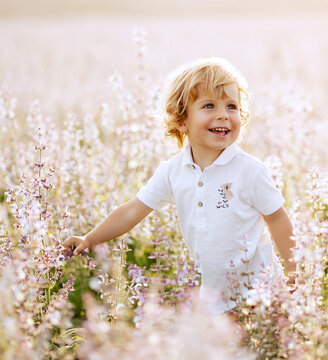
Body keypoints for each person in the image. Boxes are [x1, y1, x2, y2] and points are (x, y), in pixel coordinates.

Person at [62, 57, 296, 314]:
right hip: (214, 300)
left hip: (260, 293)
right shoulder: (174, 171)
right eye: (209, 106)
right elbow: (132, 211)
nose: (223, 115)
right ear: (182, 121)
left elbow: (277, 221)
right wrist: (90, 238)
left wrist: (295, 274)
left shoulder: (249, 170)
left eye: (232, 107)